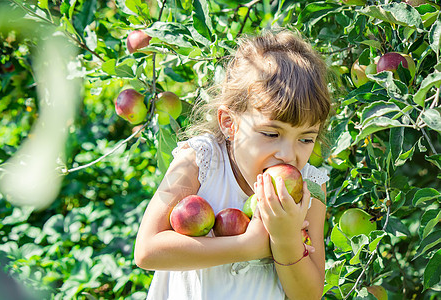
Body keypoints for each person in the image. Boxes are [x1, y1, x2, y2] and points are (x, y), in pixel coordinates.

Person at [134, 29, 331, 300]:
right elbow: (147, 250)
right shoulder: (202, 161)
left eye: (306, 139)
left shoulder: (310, 190)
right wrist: (247, 247)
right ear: (230, 123)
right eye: (272, 134)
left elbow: (309, 295)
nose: (288, 155)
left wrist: (286, 241)